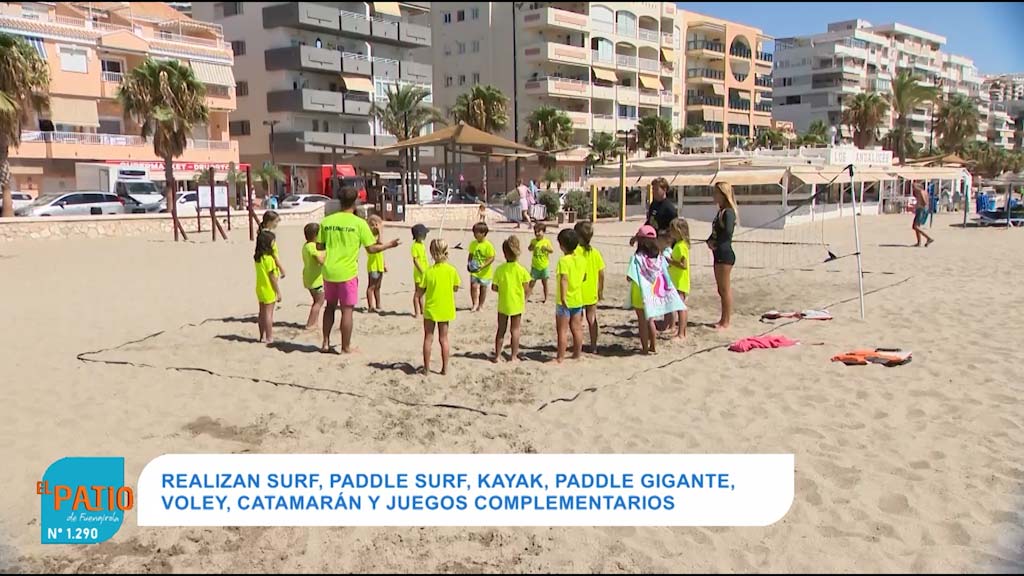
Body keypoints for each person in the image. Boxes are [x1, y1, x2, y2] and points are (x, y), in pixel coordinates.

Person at [317, 187, 399, 353]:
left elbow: (319, 246)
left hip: (329, 271)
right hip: (347, 272)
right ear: (355, 202)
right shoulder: (359, 223)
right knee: (347, 310)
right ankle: (345, 347)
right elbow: (372, 249)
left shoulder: (327, 221)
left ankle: (325, 343)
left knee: (330, 307)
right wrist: (390, 245)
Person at [628, 225, 684, 354]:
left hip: (639, 294)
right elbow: (663, 273)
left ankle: (645, 348)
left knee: (642, 323)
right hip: (652, 293)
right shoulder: (659, 257)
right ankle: (653, 345)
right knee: (651, 320)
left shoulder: (636, 258)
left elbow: (630, 277)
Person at [418, 239, 460, 375]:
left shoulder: (428, 272)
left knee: (428, 338)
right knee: (444, 339)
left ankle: (426, 368)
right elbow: (456, 287)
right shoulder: (451, 270)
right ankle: (445, 368)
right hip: (445, 308)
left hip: (431, 308)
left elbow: (420, 292)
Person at [491, 236, 532, 363]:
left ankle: (497, 356)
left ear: (504, 254)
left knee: (501, 330)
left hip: (503, 304)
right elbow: (527, 288)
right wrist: (525, 298)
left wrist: (503, 289)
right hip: (517, 304)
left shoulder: (500, 269)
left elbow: (494, 287)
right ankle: (514, 356)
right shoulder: (521, 270)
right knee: (515, 330)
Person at [707, 182, 738, 330]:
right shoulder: (720, 212)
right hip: (718, 253)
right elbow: (716, 232)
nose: (714, 196)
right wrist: (710, 240)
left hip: (725, 254)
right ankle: (722, 319)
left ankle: (726, 321)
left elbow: (727, 232)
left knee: (725, 289)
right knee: (720, 289)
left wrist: (716, 243)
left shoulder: (728, 213)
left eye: (716, 193)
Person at [555, 228, 587, 363]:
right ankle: (577, 354)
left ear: (562, 245)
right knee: (577, 328)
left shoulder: (563, 261)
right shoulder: (581, 259)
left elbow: (564, 279)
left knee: (562, 331)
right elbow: (584, 277)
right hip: (577, 299)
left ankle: (560, 357)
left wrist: (563, 297)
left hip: (565, 300)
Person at [574, 221, 605, 353]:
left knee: (578, 320)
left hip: (578, 291)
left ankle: (578, 346)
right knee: (592, 318)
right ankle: (593, 346)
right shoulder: (595, 253)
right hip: (591, 290)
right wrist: (600, 290)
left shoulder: (575, 252)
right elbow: (601, 273)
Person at [254, 230, 281, 344]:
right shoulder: (269, 259)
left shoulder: (257, 258)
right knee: (269, 314)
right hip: (269, 288)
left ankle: (262, 336)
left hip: (260, 287)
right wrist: (278, 291)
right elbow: (272, 277)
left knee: (262, 313)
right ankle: (269, 337)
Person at [666, 217, 691, 339]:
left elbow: (683, 265)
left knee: (681, 307)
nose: (670, 233)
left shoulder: (681, 246)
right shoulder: (680, 245)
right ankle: (679, 331)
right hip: (676, 280)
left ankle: (682, 333)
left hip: (680, 281)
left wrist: (670, 260)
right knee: (678, 306)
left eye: (672, 230)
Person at [301, 223, 325, 330]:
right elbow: (320, 261)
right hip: (316, 279)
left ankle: (314, 322)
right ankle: (311, 324)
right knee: (319, 302)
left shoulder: (306, 246)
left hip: (308, 277)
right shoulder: (311, 247)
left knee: (316, 301)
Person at [468, 222, 496, 312]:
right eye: (474, 233)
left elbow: (491, 258)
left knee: (483, 289)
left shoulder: (488, 245)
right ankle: (474, 304)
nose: (475, 235)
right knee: (473, 286)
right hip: (475, 271)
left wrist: (483, 266)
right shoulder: (473, 244)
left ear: (483, 233)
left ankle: (481, 305)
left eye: (477, 233)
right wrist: (469, 264)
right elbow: (471, 255)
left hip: (485, 272)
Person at [364, 215, 388, 312]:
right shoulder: (369, 237)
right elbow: (380, 243)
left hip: (379, 264)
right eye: (373, 225)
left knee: (378, 286)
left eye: (376, 225)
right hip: (373, 265)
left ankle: (378, 304)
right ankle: (371, 306)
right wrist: (380, 231)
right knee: (371, 286)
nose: (375, 227)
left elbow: (382, 251)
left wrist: (384, 264)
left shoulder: (377, 236)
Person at [528, 222, 554, 303]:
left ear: (543, 232)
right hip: (535, 265)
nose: (537, 233)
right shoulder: (533, 241)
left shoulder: (546, 241)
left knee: (545, 283)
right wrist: (531, 246)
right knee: (531, 283)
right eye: (535, 232)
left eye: (539, 231)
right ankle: (526, 297)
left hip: (544, 266)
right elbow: (529, 248)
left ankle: (546, 298)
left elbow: (551, 250)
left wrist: (546, 248)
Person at [259, 210, 286, 279]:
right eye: (276, 222)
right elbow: (273, 254)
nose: (276, 224)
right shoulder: (269, 236)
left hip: (261, 264)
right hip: (270, 264)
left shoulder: (261, 234)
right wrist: (281, 268)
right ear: (269, 222)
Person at [410, 223, 429, 319]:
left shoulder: (422, 245)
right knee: (418, 293)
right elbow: (415, 260)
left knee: (422, 293)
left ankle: (422, 310)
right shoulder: (415, 246)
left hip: (425, 271)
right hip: (419, 274)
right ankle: (417, 312)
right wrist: (422, 271)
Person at [912, 183, 934, 247]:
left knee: (915, 226)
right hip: (922, 209)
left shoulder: (921, 192)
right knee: (917, 226)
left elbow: (924, 202)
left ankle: (928, 238)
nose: (913, 188)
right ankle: (919, 242)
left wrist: (920, 206)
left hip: (921, 210)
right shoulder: (923, 192)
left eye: (914, 187)